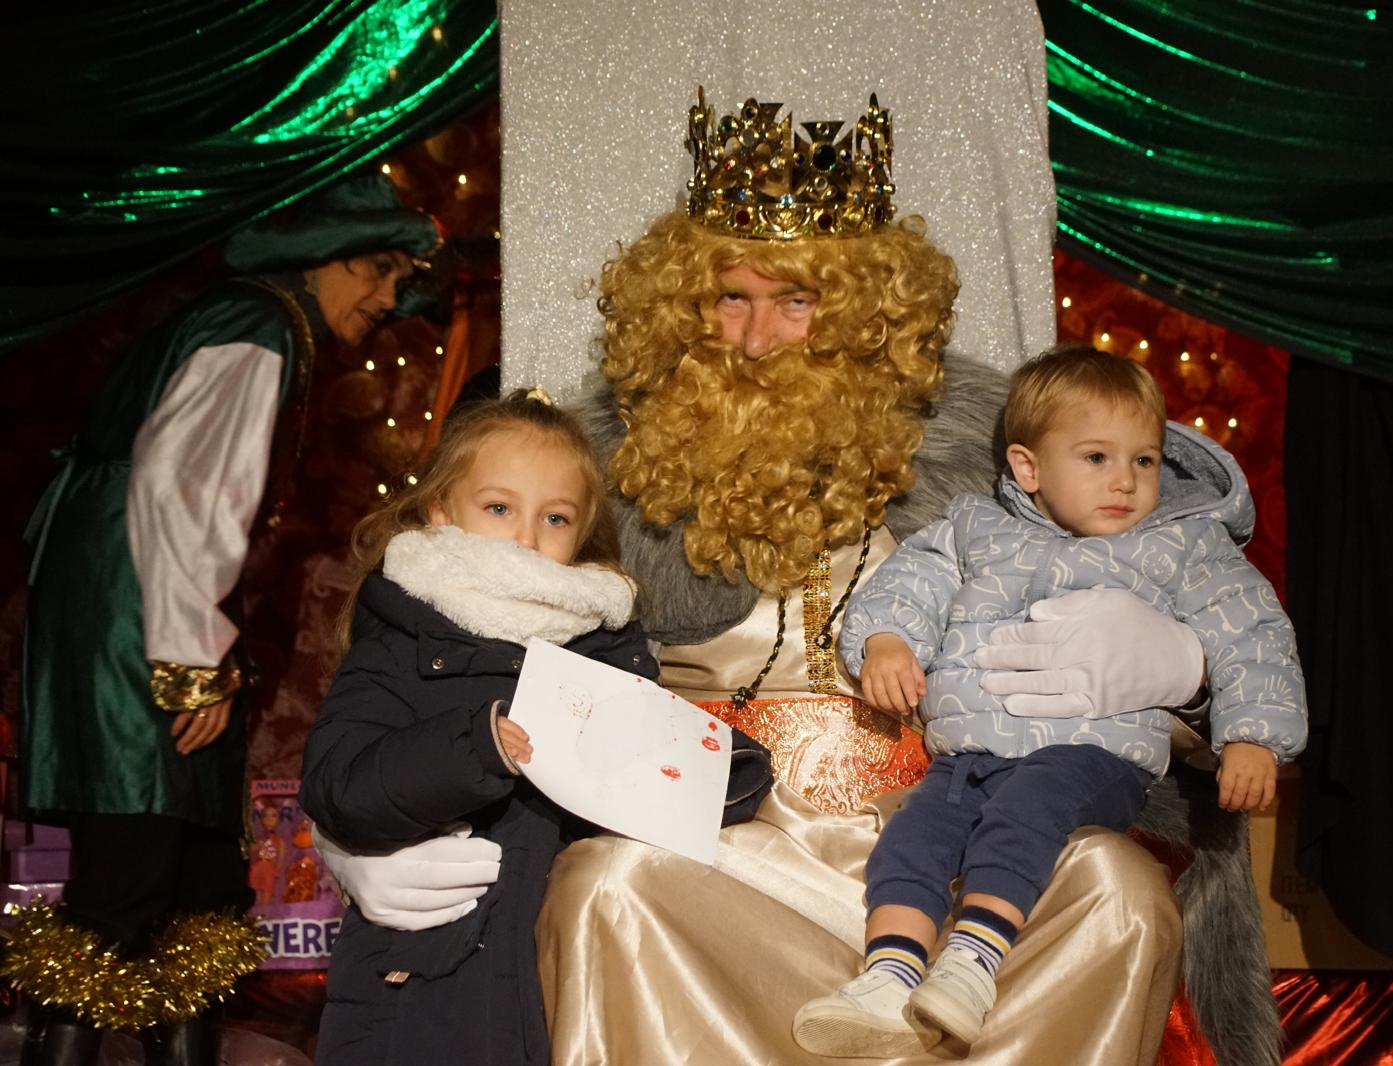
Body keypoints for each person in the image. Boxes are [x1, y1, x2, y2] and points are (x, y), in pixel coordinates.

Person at [323, 91, 1283, 1066]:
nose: (755, 338)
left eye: (796, 301)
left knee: (1116, 892)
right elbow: (454, 618)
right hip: (719, 841)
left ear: (863, 310)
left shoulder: (992, 445)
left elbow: (1173, 534)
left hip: (952, 826)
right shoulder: (598, 461)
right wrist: (365, 818)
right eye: (729, 298)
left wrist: (1187, 668)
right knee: (608, 886)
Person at [5, 172, 441, 1066]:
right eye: (376, 269)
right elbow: (186, 487)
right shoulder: (256, 327)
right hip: (142, 606)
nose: (388, 298)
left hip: (134, 595)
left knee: (201, 872)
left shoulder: (254, 321)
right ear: (318, 260)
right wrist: (191, 658)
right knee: (128, 868)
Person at [793, 345, 1307, 1056]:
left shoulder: (1183, 545)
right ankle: (890, 972)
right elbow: (912, 580)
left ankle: (974, 960)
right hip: (972, 749)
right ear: (1029, 468)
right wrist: (886, 641)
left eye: (1144, 460)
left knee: (1025, 812)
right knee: (914, 836)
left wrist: (1253, 735)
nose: (1124, 481)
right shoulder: (975, 527)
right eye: (1096, 458)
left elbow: (1252, 631)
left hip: (1090, 752)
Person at [297, 394, 667, 1066]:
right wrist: (474, 748)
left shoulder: (608, 647)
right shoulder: (405, 639)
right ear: (442, 510)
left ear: (581, 533)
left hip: (567, 974)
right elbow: (338, 781)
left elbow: (647, 783)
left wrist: (720, 775)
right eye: (499, 508)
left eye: (554, 518)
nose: (525, 538)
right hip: (425, 986)